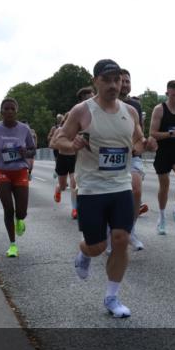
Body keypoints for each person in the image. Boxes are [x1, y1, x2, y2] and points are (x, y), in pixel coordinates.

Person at [55, 59, 145, 318]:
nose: (113, 85)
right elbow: (58, 140)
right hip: (92, 188)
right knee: (97, 246)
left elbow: (138, 139)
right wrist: (72, 145)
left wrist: (143, 145)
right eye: (107, 80)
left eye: (117, 80)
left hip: (120, 185)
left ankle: (112, 297)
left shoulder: (130, 112)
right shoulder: (82, 111)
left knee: (121, 240)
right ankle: (84, 252)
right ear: (96, 81)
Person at [0, 98, 36, 258]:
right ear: (1, 112)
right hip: (2, 172)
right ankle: (12, 245)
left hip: (20, 171)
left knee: (21, 212)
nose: (9, 111)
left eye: (12, 109)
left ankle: (20, 219)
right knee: (8, 209)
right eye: (6, 109)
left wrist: (25, 153)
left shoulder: (24, 129)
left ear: (16, 111)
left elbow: (33, 150)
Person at [119, 69, 156, 250]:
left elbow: (139, 133)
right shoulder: (101, 103)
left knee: (136, 190)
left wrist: (144, 144)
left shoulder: (134, 106)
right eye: (122, 81)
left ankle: (130, 230)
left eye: (128, 81)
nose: (125, 84)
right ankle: (109, 233)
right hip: (108, 157)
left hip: (132, 156)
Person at [149, 80, 175, 235]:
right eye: (173, 95)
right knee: (164, 186)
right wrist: (172, 133)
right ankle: (161, 218)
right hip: (163, 151)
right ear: (167, 93)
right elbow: (152, 133)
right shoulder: (159, 109)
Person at [49, 112, 79, 219]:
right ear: (65, 121)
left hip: (73, 159)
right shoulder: (59, 131)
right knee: (63, 186)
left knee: (74, 185)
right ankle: (58, 189)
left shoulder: (77, 131)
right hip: (62, 158)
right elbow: (51, 144)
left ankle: (74, 209)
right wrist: (63, 145)